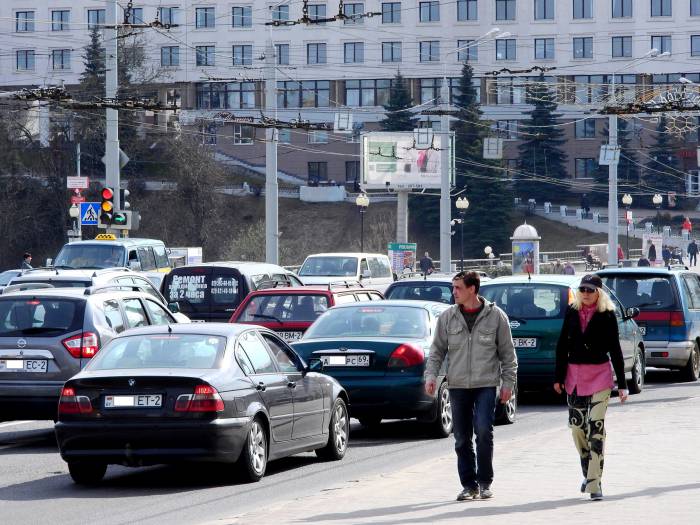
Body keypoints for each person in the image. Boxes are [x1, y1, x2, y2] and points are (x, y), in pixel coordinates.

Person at [424, 271, 517, 501]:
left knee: (484, 430)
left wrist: (508, 384)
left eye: (458, 288)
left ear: (472, 289)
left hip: (486, 383)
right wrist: (431, 376)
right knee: (462, 438)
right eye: (453, 287)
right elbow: (436, 351)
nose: (453, 292)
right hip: (457, 385)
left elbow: (508, 355)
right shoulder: (447, 317)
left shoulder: (496, 317)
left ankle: (485, 482)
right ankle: (469, 485)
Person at [554, 274, 628, 501]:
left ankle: (595, 483)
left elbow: (615, 349)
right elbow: (561, 345)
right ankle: (588, 472)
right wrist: (558, 377)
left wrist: (623, 385)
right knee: (578, 429)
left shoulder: (606, 315)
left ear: (598, 292)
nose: (585, 294)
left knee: (595, 429)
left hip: (599, 377)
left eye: (590, 290)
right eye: (582, 289)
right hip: (574, 377)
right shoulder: (572, 311)